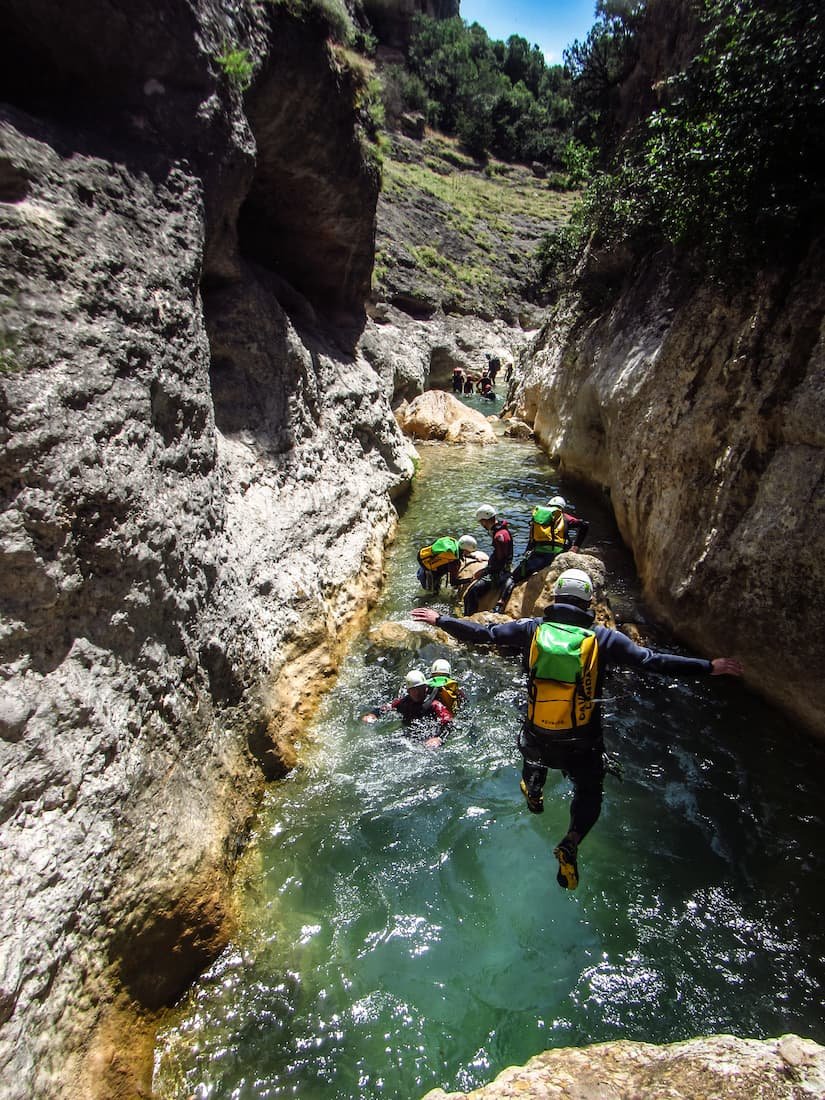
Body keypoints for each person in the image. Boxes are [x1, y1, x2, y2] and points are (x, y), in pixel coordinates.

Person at [411, 568, 743, 889]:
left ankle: (534, 788)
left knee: (533, 751)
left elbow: (484, 633)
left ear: (555, 598)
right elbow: (652, 661)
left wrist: (441, 620)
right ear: (586, 603)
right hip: (582, 739)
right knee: (589, 790)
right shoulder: (603, 638)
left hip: (538, 733)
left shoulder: (532, 629)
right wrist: (708, 667)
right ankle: (570, 842)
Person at [494, 496, 590, 613]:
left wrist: (527, 554)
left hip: (537, 556)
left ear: (548, 505)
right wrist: (576, 546)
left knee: (513, 578)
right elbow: (585, 525)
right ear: (562, 508)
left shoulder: (538, 515)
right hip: (555, 557)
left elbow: (532, 539)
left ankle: (501, 601)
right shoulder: (563, 517)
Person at [362, 669, 452, 748]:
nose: (417, 693)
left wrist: (439, 738)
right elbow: (386, 707)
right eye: (413, 689)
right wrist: (373, 714)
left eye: (419, 688)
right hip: (409, 738)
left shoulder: (435, 704)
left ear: (425, 687)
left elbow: (449, 723)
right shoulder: (403, 702)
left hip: (430, 740)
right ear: (408, 691)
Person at [463, 505, 513, 615]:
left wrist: (484, 571)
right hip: (503, 569)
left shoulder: (499, 536)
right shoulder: (502, 531)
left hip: (499, 573)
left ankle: (468, 618)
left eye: (481, 522)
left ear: (484, 520)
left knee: (470, 594)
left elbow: (500, 562)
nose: (482, 525)